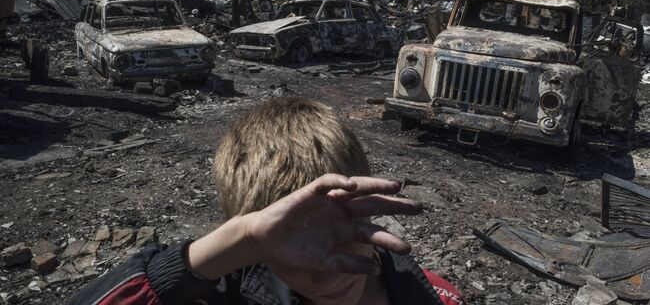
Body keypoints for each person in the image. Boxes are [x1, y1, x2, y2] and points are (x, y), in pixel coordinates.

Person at [67, 98, 464, 305]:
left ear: (367, 203)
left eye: (339, 234)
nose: (328, 276)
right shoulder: (223, 298)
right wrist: (240, 242)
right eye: (295, 251)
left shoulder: (435, 295)